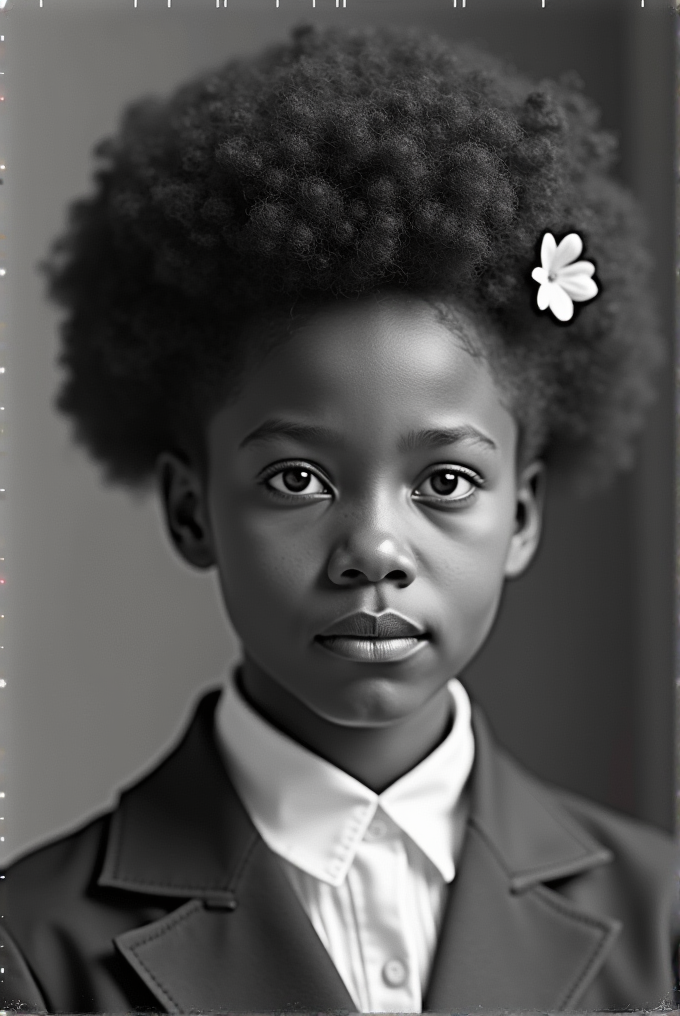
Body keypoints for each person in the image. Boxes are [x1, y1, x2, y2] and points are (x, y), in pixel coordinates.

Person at [0, 24, 677, 1014]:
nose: (373, 549)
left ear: (521, 514)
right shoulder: (33, 946)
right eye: (296, 480)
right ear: (192, 512)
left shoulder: (662, 923)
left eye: (444, 482)